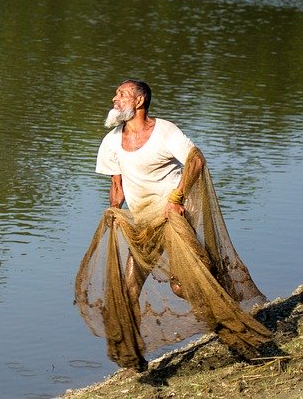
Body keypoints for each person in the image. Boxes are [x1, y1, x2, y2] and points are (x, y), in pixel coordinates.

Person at [75, 79, 273, 372]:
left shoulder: (163, 131)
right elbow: (117, 186)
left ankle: (237, 330)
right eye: (115, 94)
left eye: (122, 95)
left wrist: (177, 196)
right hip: (141, 224)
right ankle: (134, 360)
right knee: (128, 290)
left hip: (173, 220)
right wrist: (114, 213)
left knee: (184, 286)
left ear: (139, 102)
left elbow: (195, 160)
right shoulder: (111, 142)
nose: (115, 99)